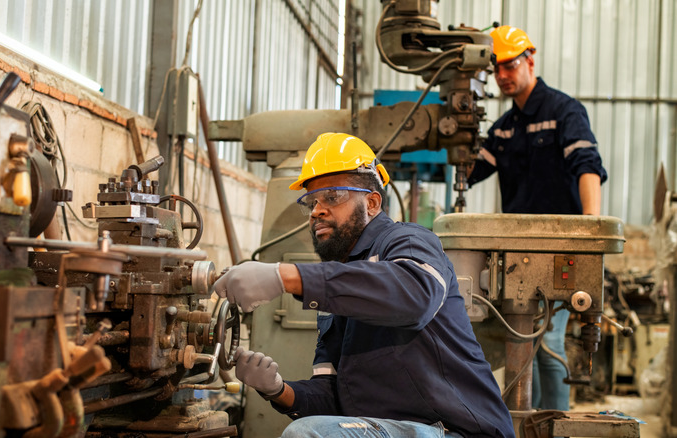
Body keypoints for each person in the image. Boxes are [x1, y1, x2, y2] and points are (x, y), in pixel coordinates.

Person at [215, 133, 515, 438]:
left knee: (306, 434)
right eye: (312, 201)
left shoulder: (408, 241)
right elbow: (333, 398)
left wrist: (285, 276)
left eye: (332, 197)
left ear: (372, 203)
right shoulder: (340, 285)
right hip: (396, 429)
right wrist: (278, 390)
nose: (317, 210)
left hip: (457, 431)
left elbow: (415, 297)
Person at [467, 25, 608, 411]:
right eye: (496, 69)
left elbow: (587, 166)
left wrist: (589, 234)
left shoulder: (564, 112)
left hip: (560, 250)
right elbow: (468, 171)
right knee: (520, 342)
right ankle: (526, 423)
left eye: (510, 66)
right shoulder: (504, 130)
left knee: (546, 345)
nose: (502, 76)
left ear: (530, 59)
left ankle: (551, 426)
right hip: (515, 256)